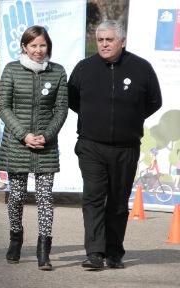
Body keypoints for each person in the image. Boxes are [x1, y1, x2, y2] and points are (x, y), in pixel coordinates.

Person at [68, 20, 162, 270]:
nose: (104, 44)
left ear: (123, 41)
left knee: (118, 202)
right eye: (100, 40)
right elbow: (73, 99)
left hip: (125, 147)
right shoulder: (84, 68)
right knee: (93, 198)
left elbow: (154, 101)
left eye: (110, 39)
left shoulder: (141, 68)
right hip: (91, 146)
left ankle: (114, 252)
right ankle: (95, 253)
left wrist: (128, 121)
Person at [0, 25, 68, 271]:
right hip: (17, 145)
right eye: (33, 45)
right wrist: (24, 135)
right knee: (16, 197)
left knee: (45, 197)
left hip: (45, 147)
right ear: (24, 47)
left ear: (48, 47)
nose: (38, 50)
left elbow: (61, 109)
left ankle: (43, 250)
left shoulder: (57, 72)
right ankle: (15, 239)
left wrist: (46, 136)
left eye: (43, 45)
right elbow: (3, 107)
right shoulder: (11, 70)